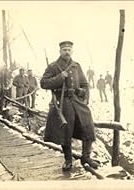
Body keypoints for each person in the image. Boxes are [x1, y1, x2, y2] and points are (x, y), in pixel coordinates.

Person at [40, 41, 100, 171]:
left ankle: (86, 157)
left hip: (76, 101)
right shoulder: (53, 66)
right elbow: (43, 83)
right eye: (64, 50)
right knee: (65, 130)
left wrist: (82, 94)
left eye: (69, 50)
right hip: (62, 103)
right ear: (60, 51)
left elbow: (85, 84)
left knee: (87, 124)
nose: (67, 52)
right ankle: (68, 159)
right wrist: (60, 77)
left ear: (72, 51)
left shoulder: (76, 66)